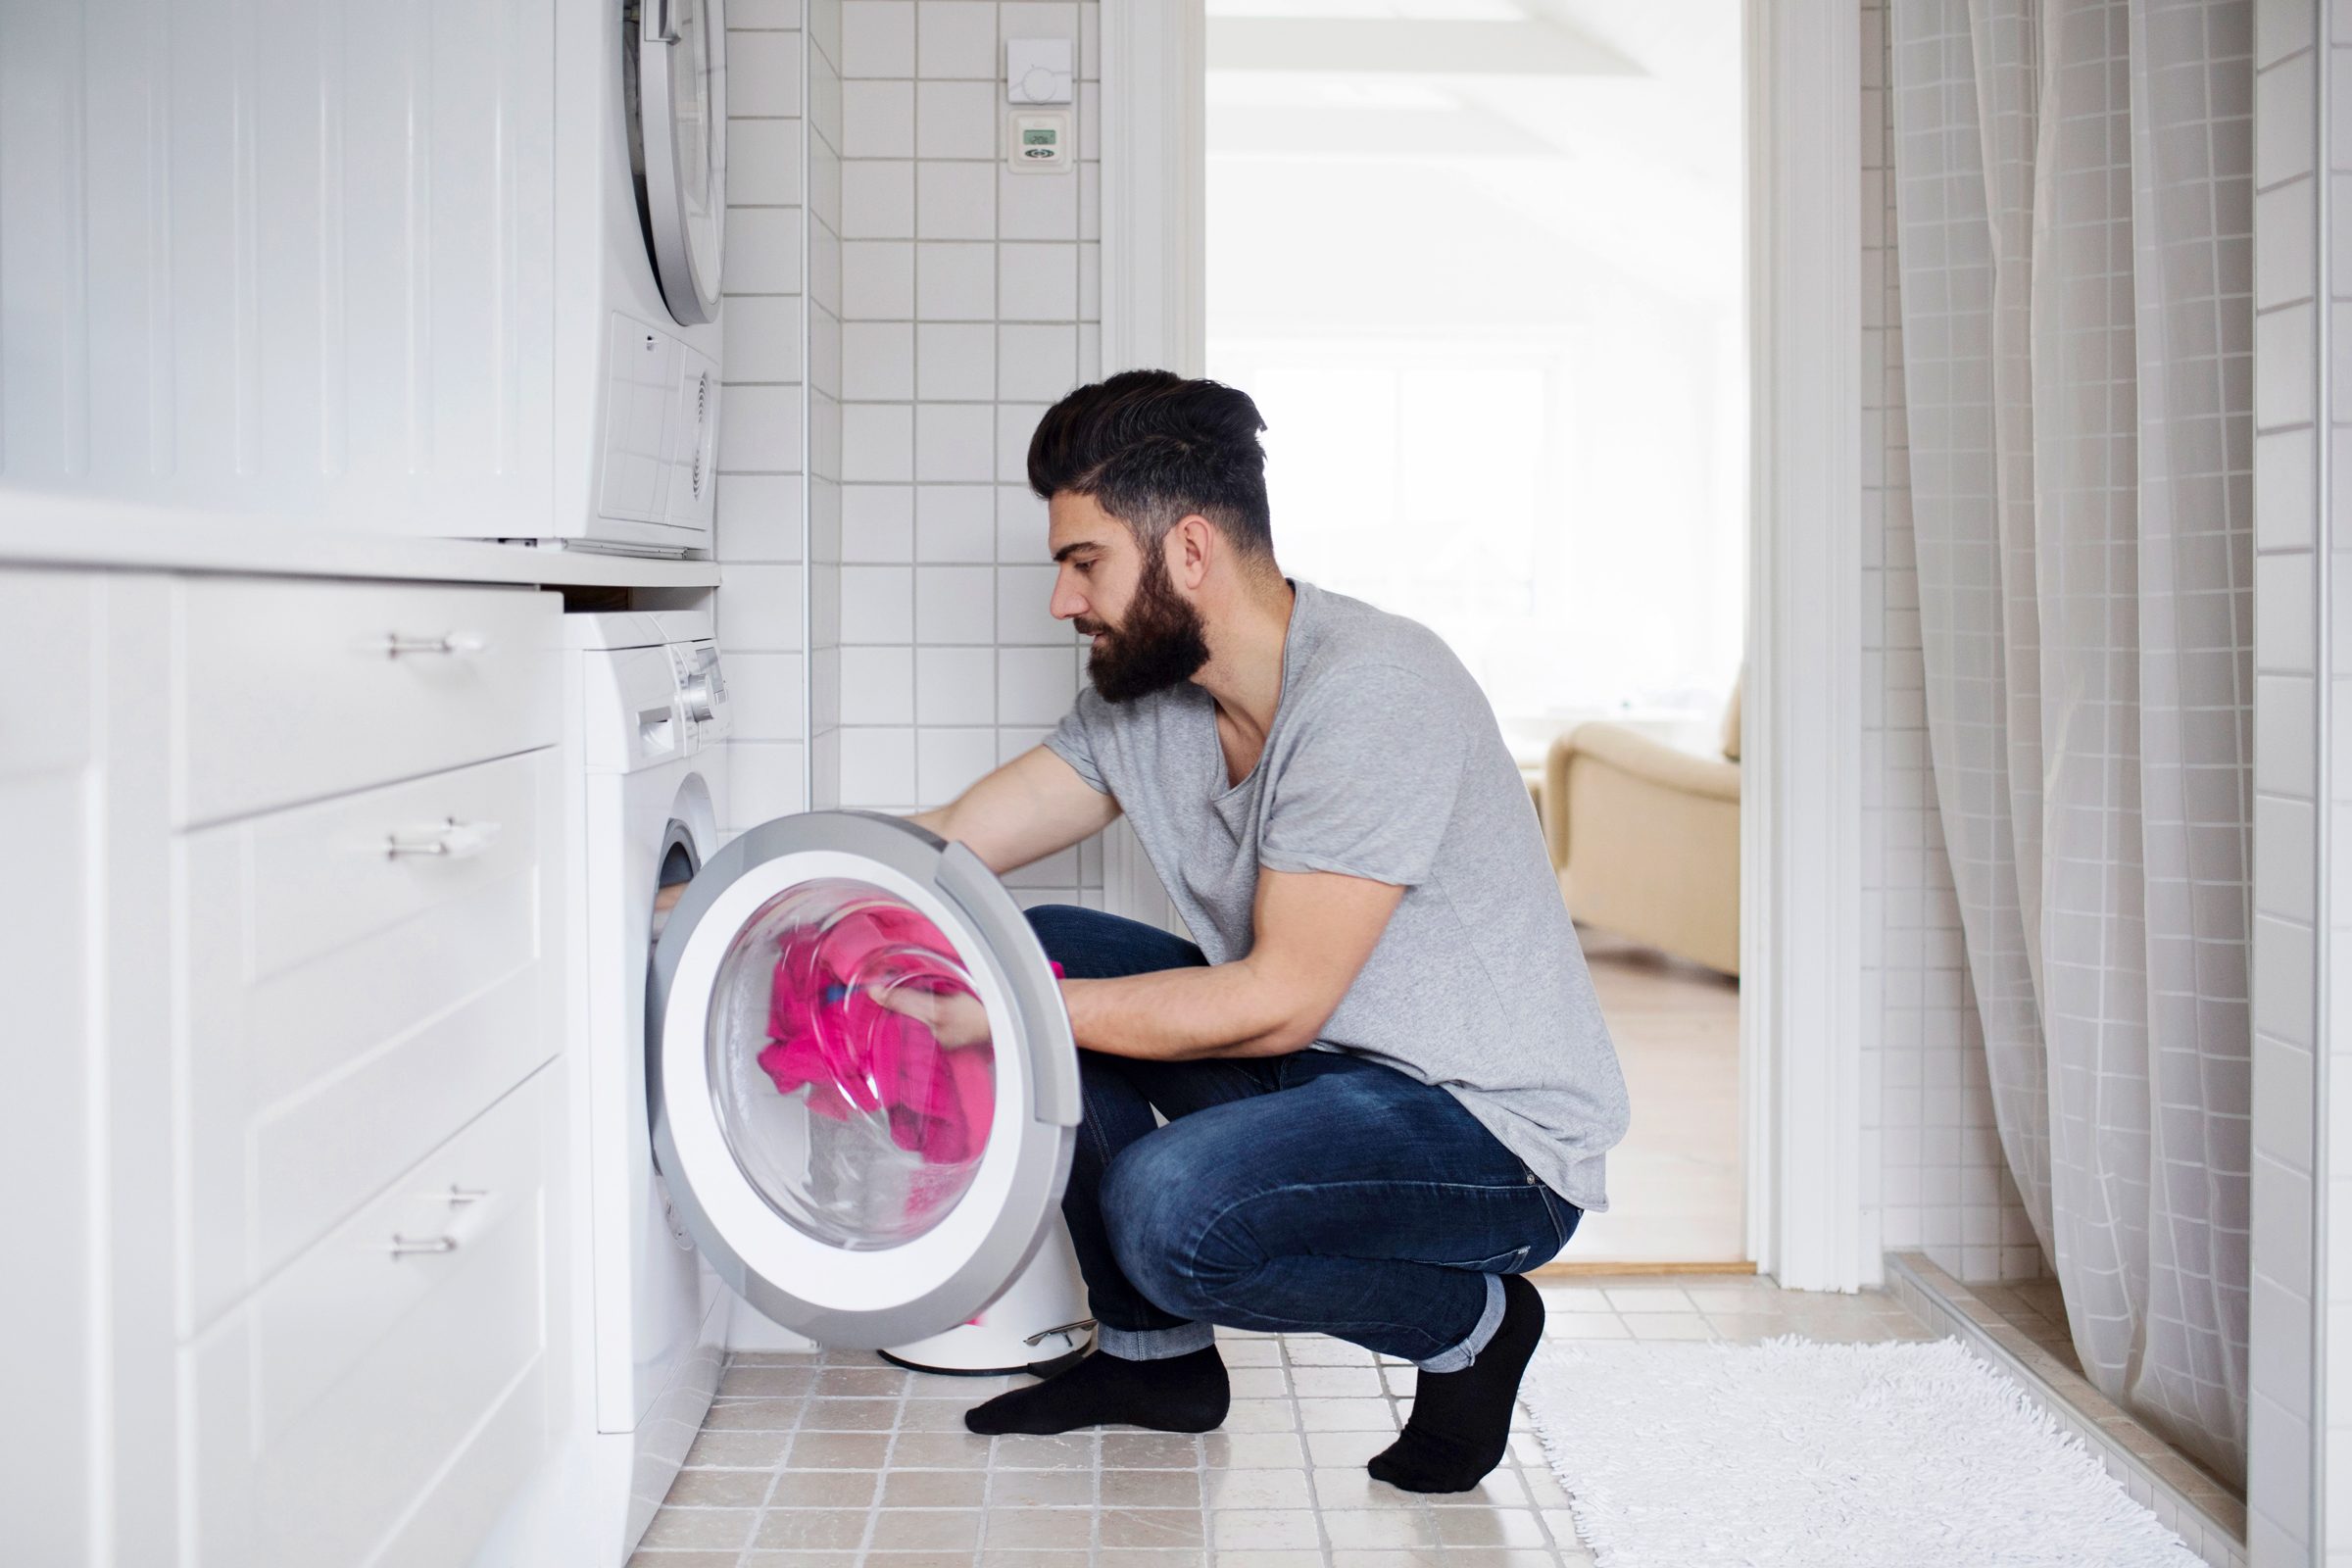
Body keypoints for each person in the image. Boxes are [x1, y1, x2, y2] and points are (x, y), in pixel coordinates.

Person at [891, 369, 1631, 1494]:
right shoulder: (1141, 702)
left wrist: (1001, 1008)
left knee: (1166, 1208)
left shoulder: (1375, 690)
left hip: (1490, 1136)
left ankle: (1471, 1325)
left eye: (1083, 561)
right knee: (1040, 943)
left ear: (1189, 548)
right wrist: (754, 890)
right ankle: (1157, 1367)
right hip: (1329, 1073)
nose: (1062, 601)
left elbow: (1280, 995)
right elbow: (952, 838)